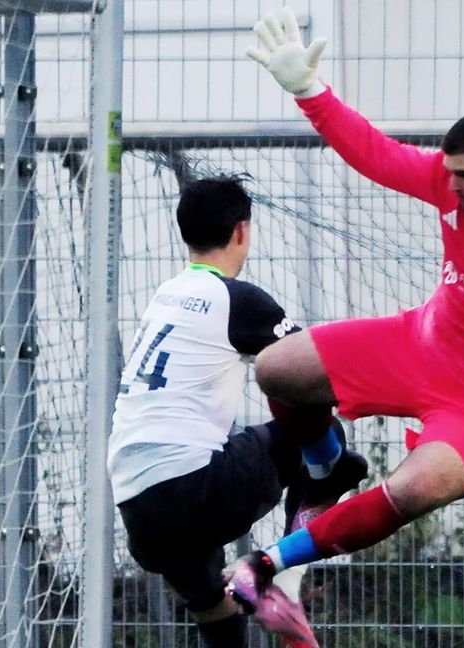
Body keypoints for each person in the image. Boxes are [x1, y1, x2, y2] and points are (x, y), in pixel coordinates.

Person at [224, 7, 464, 625]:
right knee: (277, 368)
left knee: (415, 487)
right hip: (424, 345)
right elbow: (375, 153)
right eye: (447, 172)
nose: (446, 184)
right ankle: (327, 473)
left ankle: (267, 566)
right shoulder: (451, 182)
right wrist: (309, 92)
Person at [108, 175, 367, 648]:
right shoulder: (237, 298)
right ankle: (287, 580)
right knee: (317, 435)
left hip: (137, 508)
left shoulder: (164, 297)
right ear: (242, 231)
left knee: (217, 612)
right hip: (195, 487)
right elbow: (311, 369)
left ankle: (251, 596)